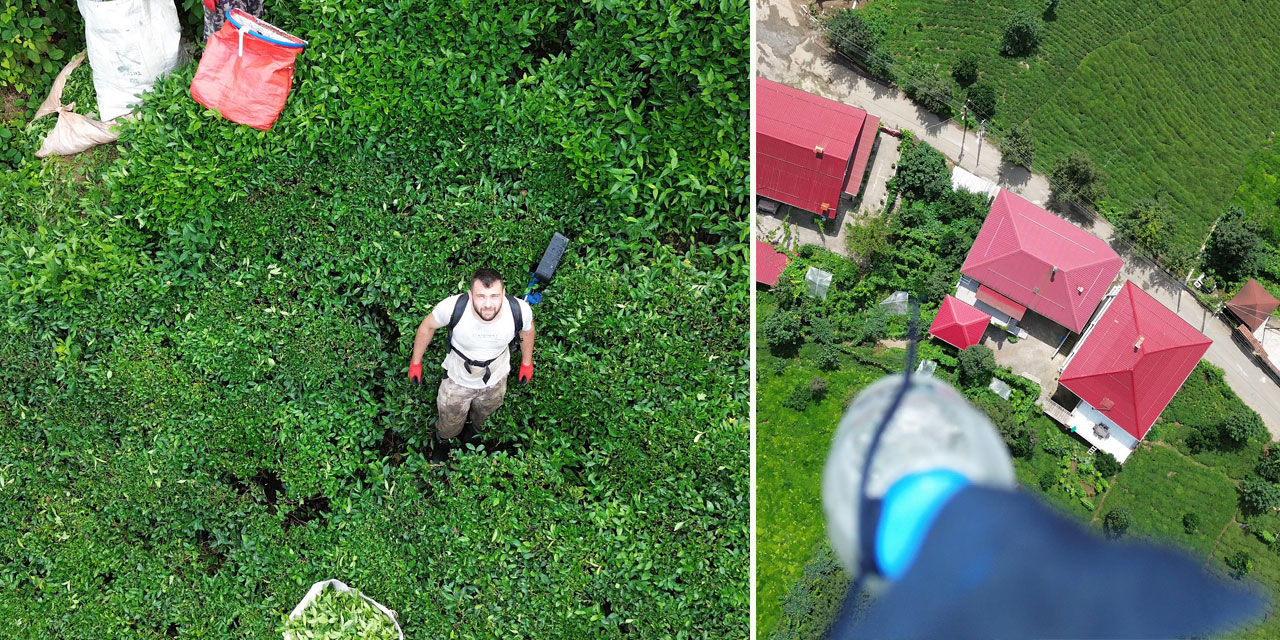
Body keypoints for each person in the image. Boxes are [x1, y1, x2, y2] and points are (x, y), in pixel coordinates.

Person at [408, 268, 534, 442]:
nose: (488, 304)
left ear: (503, 293)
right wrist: (416, 362)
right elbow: (427, 327)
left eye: (495, 296)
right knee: (449, 421)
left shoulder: (519, 310)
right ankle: (444, 442)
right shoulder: (452, 307)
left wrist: (526, 363)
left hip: (496, 378)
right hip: (457, 379)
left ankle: (473, 437)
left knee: (485, 418)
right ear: (470, 294)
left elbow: (527, 331)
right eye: (481, 296)